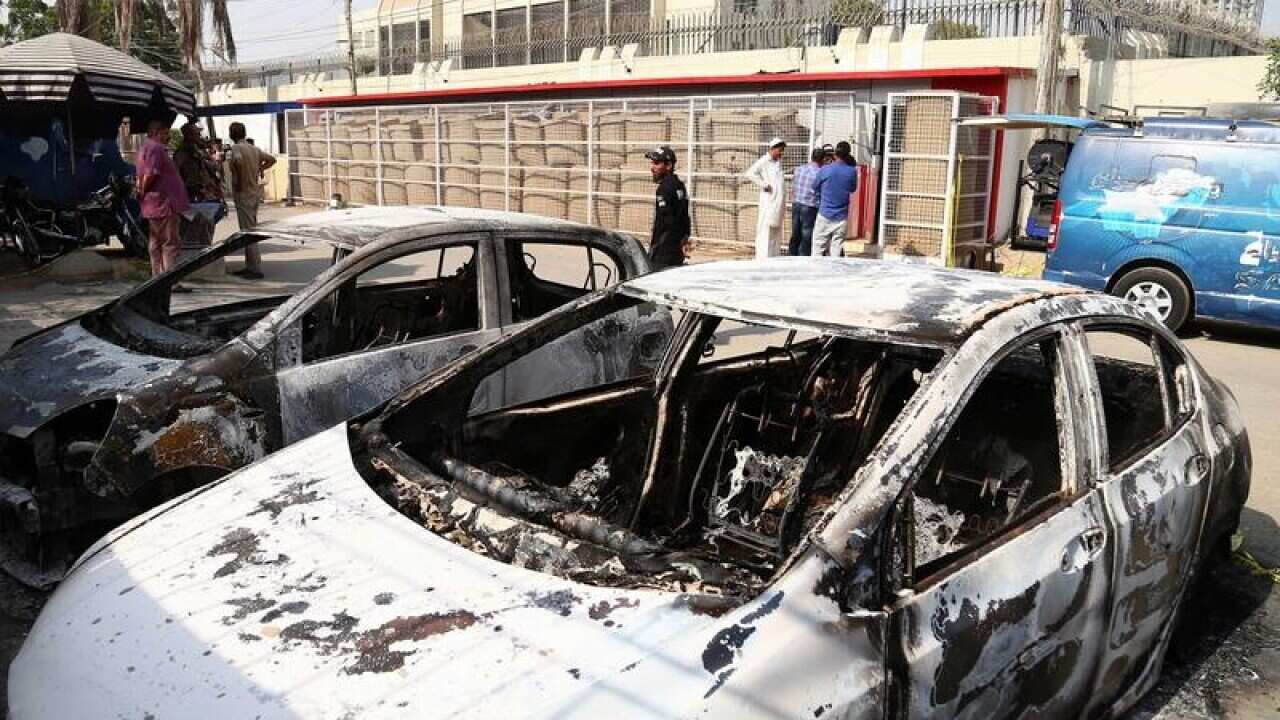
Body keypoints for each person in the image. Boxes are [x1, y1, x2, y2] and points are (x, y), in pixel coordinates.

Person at [135, 118, 191, 277]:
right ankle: (169, 279)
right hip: (164, 203)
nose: (169, 136)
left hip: (156, 203)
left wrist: (141, 190)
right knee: (169, 242)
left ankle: (157, 276)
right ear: (155, 133)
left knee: (156, 241)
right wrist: (142, 190)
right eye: (165, 133)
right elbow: (150, 173)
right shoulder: (156, 148)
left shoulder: (146, 147)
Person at [227, 122, 277, 279]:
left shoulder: (236, 148)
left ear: (231, 134)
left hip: (244, 194)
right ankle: (251, 264)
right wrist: (259, 168)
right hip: (254, 192)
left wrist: (240, 183)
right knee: (251, 229)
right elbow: (271, 159)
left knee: (247, 231)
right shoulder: (253, 149)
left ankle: (254, 268)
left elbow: (238, 161)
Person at [644, 145, 691, 271]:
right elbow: (685, 216)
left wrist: (655, 248)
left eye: (656, 163)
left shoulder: (663, 189)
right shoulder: (679, 185)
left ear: (668, 166)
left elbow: (667, 222)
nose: (652, 168)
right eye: (652, 163)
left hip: (663, 253)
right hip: (677, 250)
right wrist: (684, 239)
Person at [812, 141, 858, 257]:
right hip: (841, 217)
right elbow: (852, 189)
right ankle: (835, 274)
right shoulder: (852, 171)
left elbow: (814, 186)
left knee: (818, 247)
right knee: (836, 249)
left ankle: (814, 272)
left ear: (835, 154)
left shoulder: (825, 169)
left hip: (824, 214)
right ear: (848, 155)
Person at [743, 137, 787, 259]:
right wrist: (765, 185)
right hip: (768, 201)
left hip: (777, 202)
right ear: (772, 148)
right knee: (765, 229)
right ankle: (763, 256)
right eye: (780, 150)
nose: (781, 153)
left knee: (775, 230)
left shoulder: (777, 162)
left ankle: (773, 255)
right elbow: (750, 173)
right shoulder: (764, 161)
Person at [788, 145, 829, 256]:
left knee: (795, 232)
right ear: (823, 159)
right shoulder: (820, 173)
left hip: (796, 203)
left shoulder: (799, 168)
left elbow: (793, 186)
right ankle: (803, 257)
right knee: (807, 234)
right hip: (810, 206)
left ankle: (792, 255)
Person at [173, 121, 222, 203]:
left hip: (201, 191)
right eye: (197, 134)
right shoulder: (183, 152)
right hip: (191, 193)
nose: (200, 137)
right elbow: (176, 172)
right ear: (190, 136)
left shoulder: (195, 151)